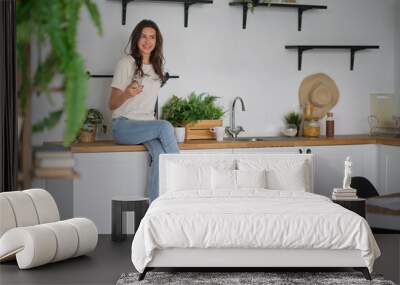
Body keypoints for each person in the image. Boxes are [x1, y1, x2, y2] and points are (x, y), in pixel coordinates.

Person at [109, 19, 180, 202]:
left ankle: (154, 207)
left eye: (152, 37)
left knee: (159, 156)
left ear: (157, 41)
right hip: (123, 126)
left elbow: (146, 106)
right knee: (165, 127)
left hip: (145, 127)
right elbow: (112, 104)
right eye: (143, 36)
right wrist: (127, 93)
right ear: (136, 39)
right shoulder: (126, 63)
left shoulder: (157, 68)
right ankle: (183, 178)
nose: (148, 41)